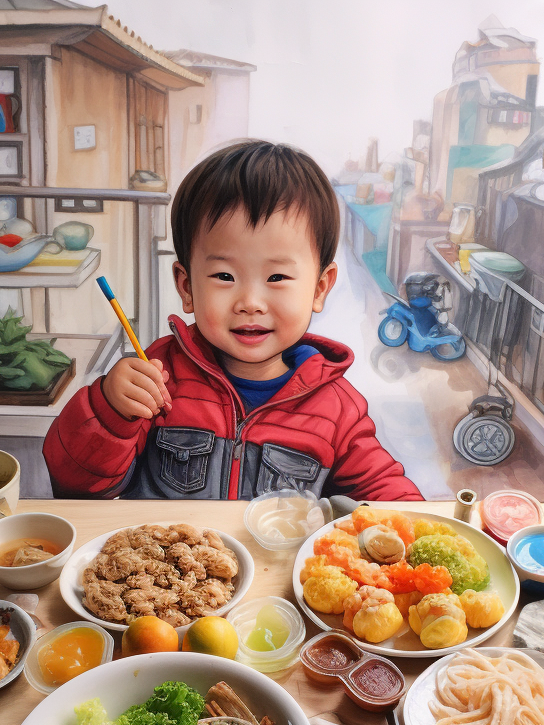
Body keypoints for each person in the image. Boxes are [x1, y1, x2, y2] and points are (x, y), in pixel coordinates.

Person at [43, 139, 422, 501]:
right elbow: (76, 486)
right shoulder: (155, 374)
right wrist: (109, 410)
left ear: (319, 289)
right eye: (225, 277)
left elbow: (389, 500)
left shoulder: (338, 409)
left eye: (277, 278)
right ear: (187, 287)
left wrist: (425, 535)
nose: (250, 303)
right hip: (168, 565)